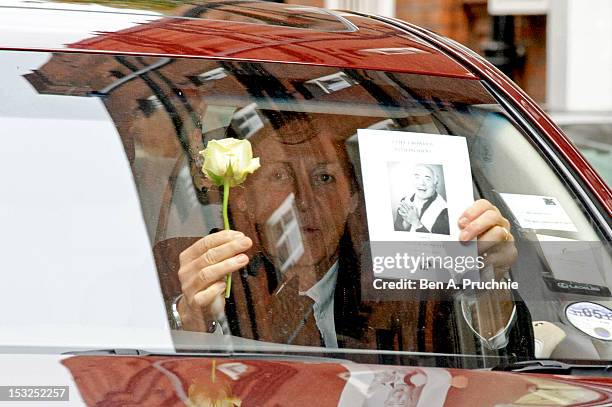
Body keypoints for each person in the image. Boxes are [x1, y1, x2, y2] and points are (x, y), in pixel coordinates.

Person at [174, 112, 533, 357]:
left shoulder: (409, 279)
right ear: (244, 199)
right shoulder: (216, 280)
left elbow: (499, 360)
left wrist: (490, 282)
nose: (303, 200)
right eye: (280, 177)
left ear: (353, 198)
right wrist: (192, 318)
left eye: (324, 178)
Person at [394, 164, 449, 235]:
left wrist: (416, 223)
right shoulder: (405, 201)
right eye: (417, 177)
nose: (421, 183)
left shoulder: (444, 210)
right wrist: (406, 224)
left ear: (435, 183)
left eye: (427, 179)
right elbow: (396, 233)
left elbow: (440, 244)